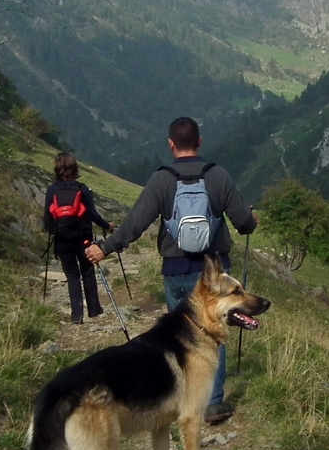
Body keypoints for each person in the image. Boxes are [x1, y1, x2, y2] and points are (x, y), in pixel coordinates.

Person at [86, 116, 256, 424]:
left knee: (182, 336)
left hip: (176, 271)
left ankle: (183, 397)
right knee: (213, 333)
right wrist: (252, 220)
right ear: (200, 142)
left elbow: (135, 223)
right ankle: (212, 403)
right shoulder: (218, 176)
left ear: (171, 144)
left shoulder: (162, 180)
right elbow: (244, 223)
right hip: (215, 276)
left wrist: (106, 248)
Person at [43, 152, 112, 324]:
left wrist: (53, 232)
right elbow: (93, 214)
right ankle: (94, 310)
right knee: (87, 271)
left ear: (57, 168)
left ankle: (76, 315)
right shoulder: (82, 189)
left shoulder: (52, 190)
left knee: (72, 275)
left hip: (62, 240)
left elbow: (47, 216)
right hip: (83, 238)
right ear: (74, 168)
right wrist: (107, 226)